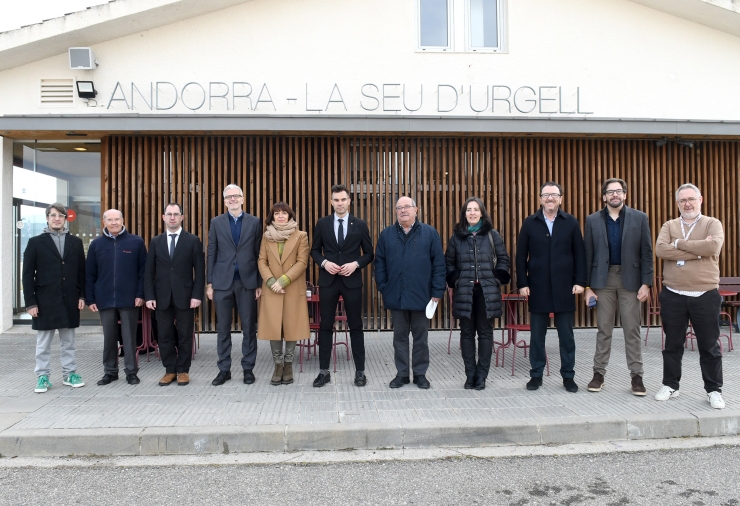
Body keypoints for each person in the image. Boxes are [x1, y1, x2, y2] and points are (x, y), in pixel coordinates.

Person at [654, 183, 725, 409]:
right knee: (673, 344)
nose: (687, 204)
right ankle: (670, 385)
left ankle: (714, 390)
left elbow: (712, 248)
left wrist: (680, 245)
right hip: (673, 293)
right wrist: (697, 252)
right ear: (677, 203)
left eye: (691, 199)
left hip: (705, 294)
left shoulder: (712, 223)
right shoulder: (669, 225)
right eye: (683, 200)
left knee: (709, 345)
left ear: (700, 200)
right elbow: (661, 250)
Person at [584, 178, 653, 396]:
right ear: (604, 196)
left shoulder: (640, 218)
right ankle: (598, 374)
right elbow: (588, 255)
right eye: (610, 191)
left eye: (619, 191)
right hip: (602, 280)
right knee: (604, 329)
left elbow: (647, 253)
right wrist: (587, 286)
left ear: (625, 195)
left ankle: (637, 376)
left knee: (632, 329)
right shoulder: (592, 220)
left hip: (630, 280)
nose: (615, 195)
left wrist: (646, 283)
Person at [516, 181, 586, 393]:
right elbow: (520, 256)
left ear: (560, 199)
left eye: (554, 195)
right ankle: (536, 375)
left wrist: (580, 281)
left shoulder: (571, 222)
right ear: (540, 199)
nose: (550, 198)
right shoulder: (530, 223)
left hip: (565, 286)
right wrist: (523, 283)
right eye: (546, 195)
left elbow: (580, 254)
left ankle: (568, 376)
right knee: (537, 336)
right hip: (537, 286)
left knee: (566, 336)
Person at [374, 196, 446, 389]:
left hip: (423, 296)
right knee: (400, 338)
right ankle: (402, 374)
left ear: (416, 209)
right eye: (399, 208)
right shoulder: (387, 234)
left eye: (407, 207)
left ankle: (420, 374)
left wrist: (437, 292)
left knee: (421, 338)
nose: (403, 210)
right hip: (396, 296)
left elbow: (439, 264)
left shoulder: (430, 233)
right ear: (395, 211)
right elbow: (379, 263)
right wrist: (383, 286)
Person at [310, 184, 374, 387]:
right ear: (331, 202)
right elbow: (314, 251)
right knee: (325, 326)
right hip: (328, 281)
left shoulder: (360, 224)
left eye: (343, 199)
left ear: (349, 201)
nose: (340, 203)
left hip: (352, 281)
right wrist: (324, 263)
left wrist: (355, 264)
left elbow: (370, 253)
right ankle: (323, 372)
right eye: (336, 200)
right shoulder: (322, 224)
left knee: (356, 326)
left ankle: (360, 372)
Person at [445, 197, 511, 390]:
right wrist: (456, 279)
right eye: (468, 210)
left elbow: (503, 259)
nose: (472, 213)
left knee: (485, 334)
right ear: (464, 213)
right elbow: (448, 262)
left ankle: (482, 376)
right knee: (466, 334)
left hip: (486, 291)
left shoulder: (492, 234)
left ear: (482, 213)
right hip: (464, 291)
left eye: (475, 209)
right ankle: (470, 375)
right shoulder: (457, 237)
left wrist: (497, 279)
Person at [23, 203, 86, 393]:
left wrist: (82, 295)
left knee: (69, 343)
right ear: (47, 218)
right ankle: (42, 376)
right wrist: (30, 302)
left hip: (69, 299)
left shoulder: (75, 242)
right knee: (43, 344)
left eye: (60, 215)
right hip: (44, 301)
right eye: (53, 215)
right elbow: (27, 275)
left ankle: (70, 374)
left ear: (66, 218)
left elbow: (81, 272)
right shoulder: (35, 242)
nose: (57, 219)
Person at [207, 184, 263, 386]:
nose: (232, 199)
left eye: (236, 196)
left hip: (247, 282)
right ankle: (224, 369)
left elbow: (259, 253)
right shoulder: (216, 222)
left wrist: (258, 282)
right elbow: (211, 252)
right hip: (222, 282)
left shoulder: (255, 222)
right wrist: (209, 283)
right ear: (224, 201)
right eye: (228, 197)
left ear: (242, 199)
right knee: (223, 329)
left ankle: (248, 369)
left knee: (248, 327)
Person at [144, 203, 205, 387]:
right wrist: (149, 296)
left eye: (176, 214)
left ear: (182, 217)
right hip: (161, 297)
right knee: (164, 335)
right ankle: (170, 370)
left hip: (186, 296)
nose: (172, 217)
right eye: (169, 214)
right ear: (163, 217)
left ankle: (183, 371)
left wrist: (197, 295)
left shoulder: (193, 240)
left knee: (185, 335)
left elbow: (200, 271)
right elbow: (149, 271)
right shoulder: (156, 241)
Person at [86, 209, 147, 386]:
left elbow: (144, 272)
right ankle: (110, 372)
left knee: (129, 338)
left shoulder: (136, 242)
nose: (114, 223)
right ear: (104, 222)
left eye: (117, 219)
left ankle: (131, 372)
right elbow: (90, 274)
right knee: (109, 338)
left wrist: (140, 294)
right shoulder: (96, 245)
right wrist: (90, 299)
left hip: (129, 298)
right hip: (104, 298)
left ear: (122, 220)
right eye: (110, 220)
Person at [257, 202, 311, 386]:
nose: (280, 216)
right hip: (272, 289)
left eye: (284, 213)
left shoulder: (301, 236)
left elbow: (302, 262)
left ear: (290, 215)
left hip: (291, 288)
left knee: (291, 326)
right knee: (273, 327)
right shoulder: (266, 237)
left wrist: (283, 281)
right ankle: (277, 365)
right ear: (271, 217)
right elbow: (261, 261)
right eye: (276, 213)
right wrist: (272, 282)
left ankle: (288, 365)